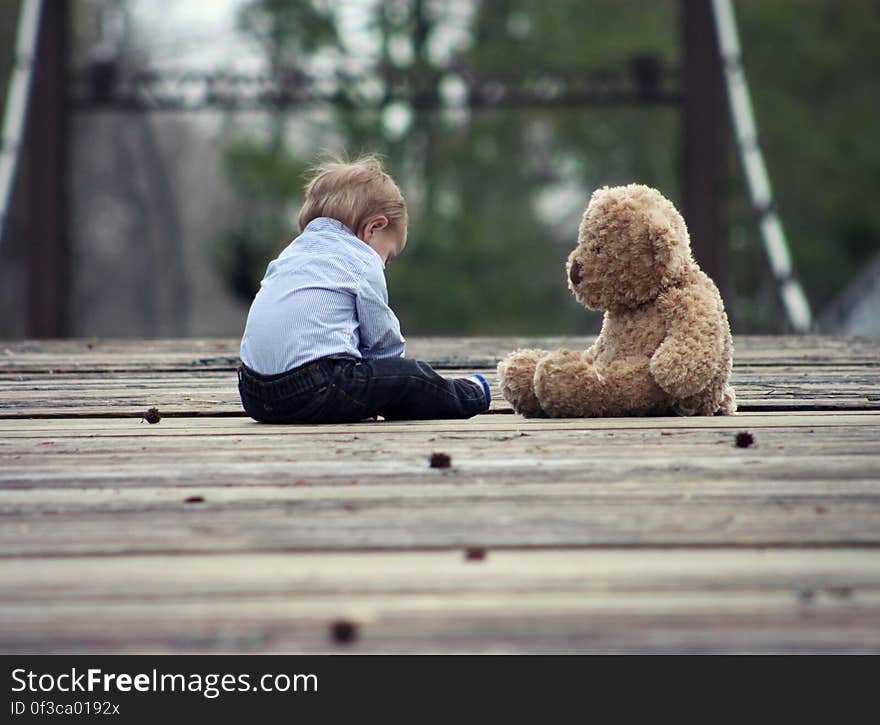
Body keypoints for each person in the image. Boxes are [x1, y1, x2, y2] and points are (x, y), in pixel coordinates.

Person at [237, 155, 491, 424]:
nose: (384, 265)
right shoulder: (361, 259)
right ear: (373, 228)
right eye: (388, 256)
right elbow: (383, 343)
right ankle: (472, 393)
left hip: (253, 394)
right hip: (314, 389)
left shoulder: (290, 254)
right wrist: (389, 383)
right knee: (412, 377)